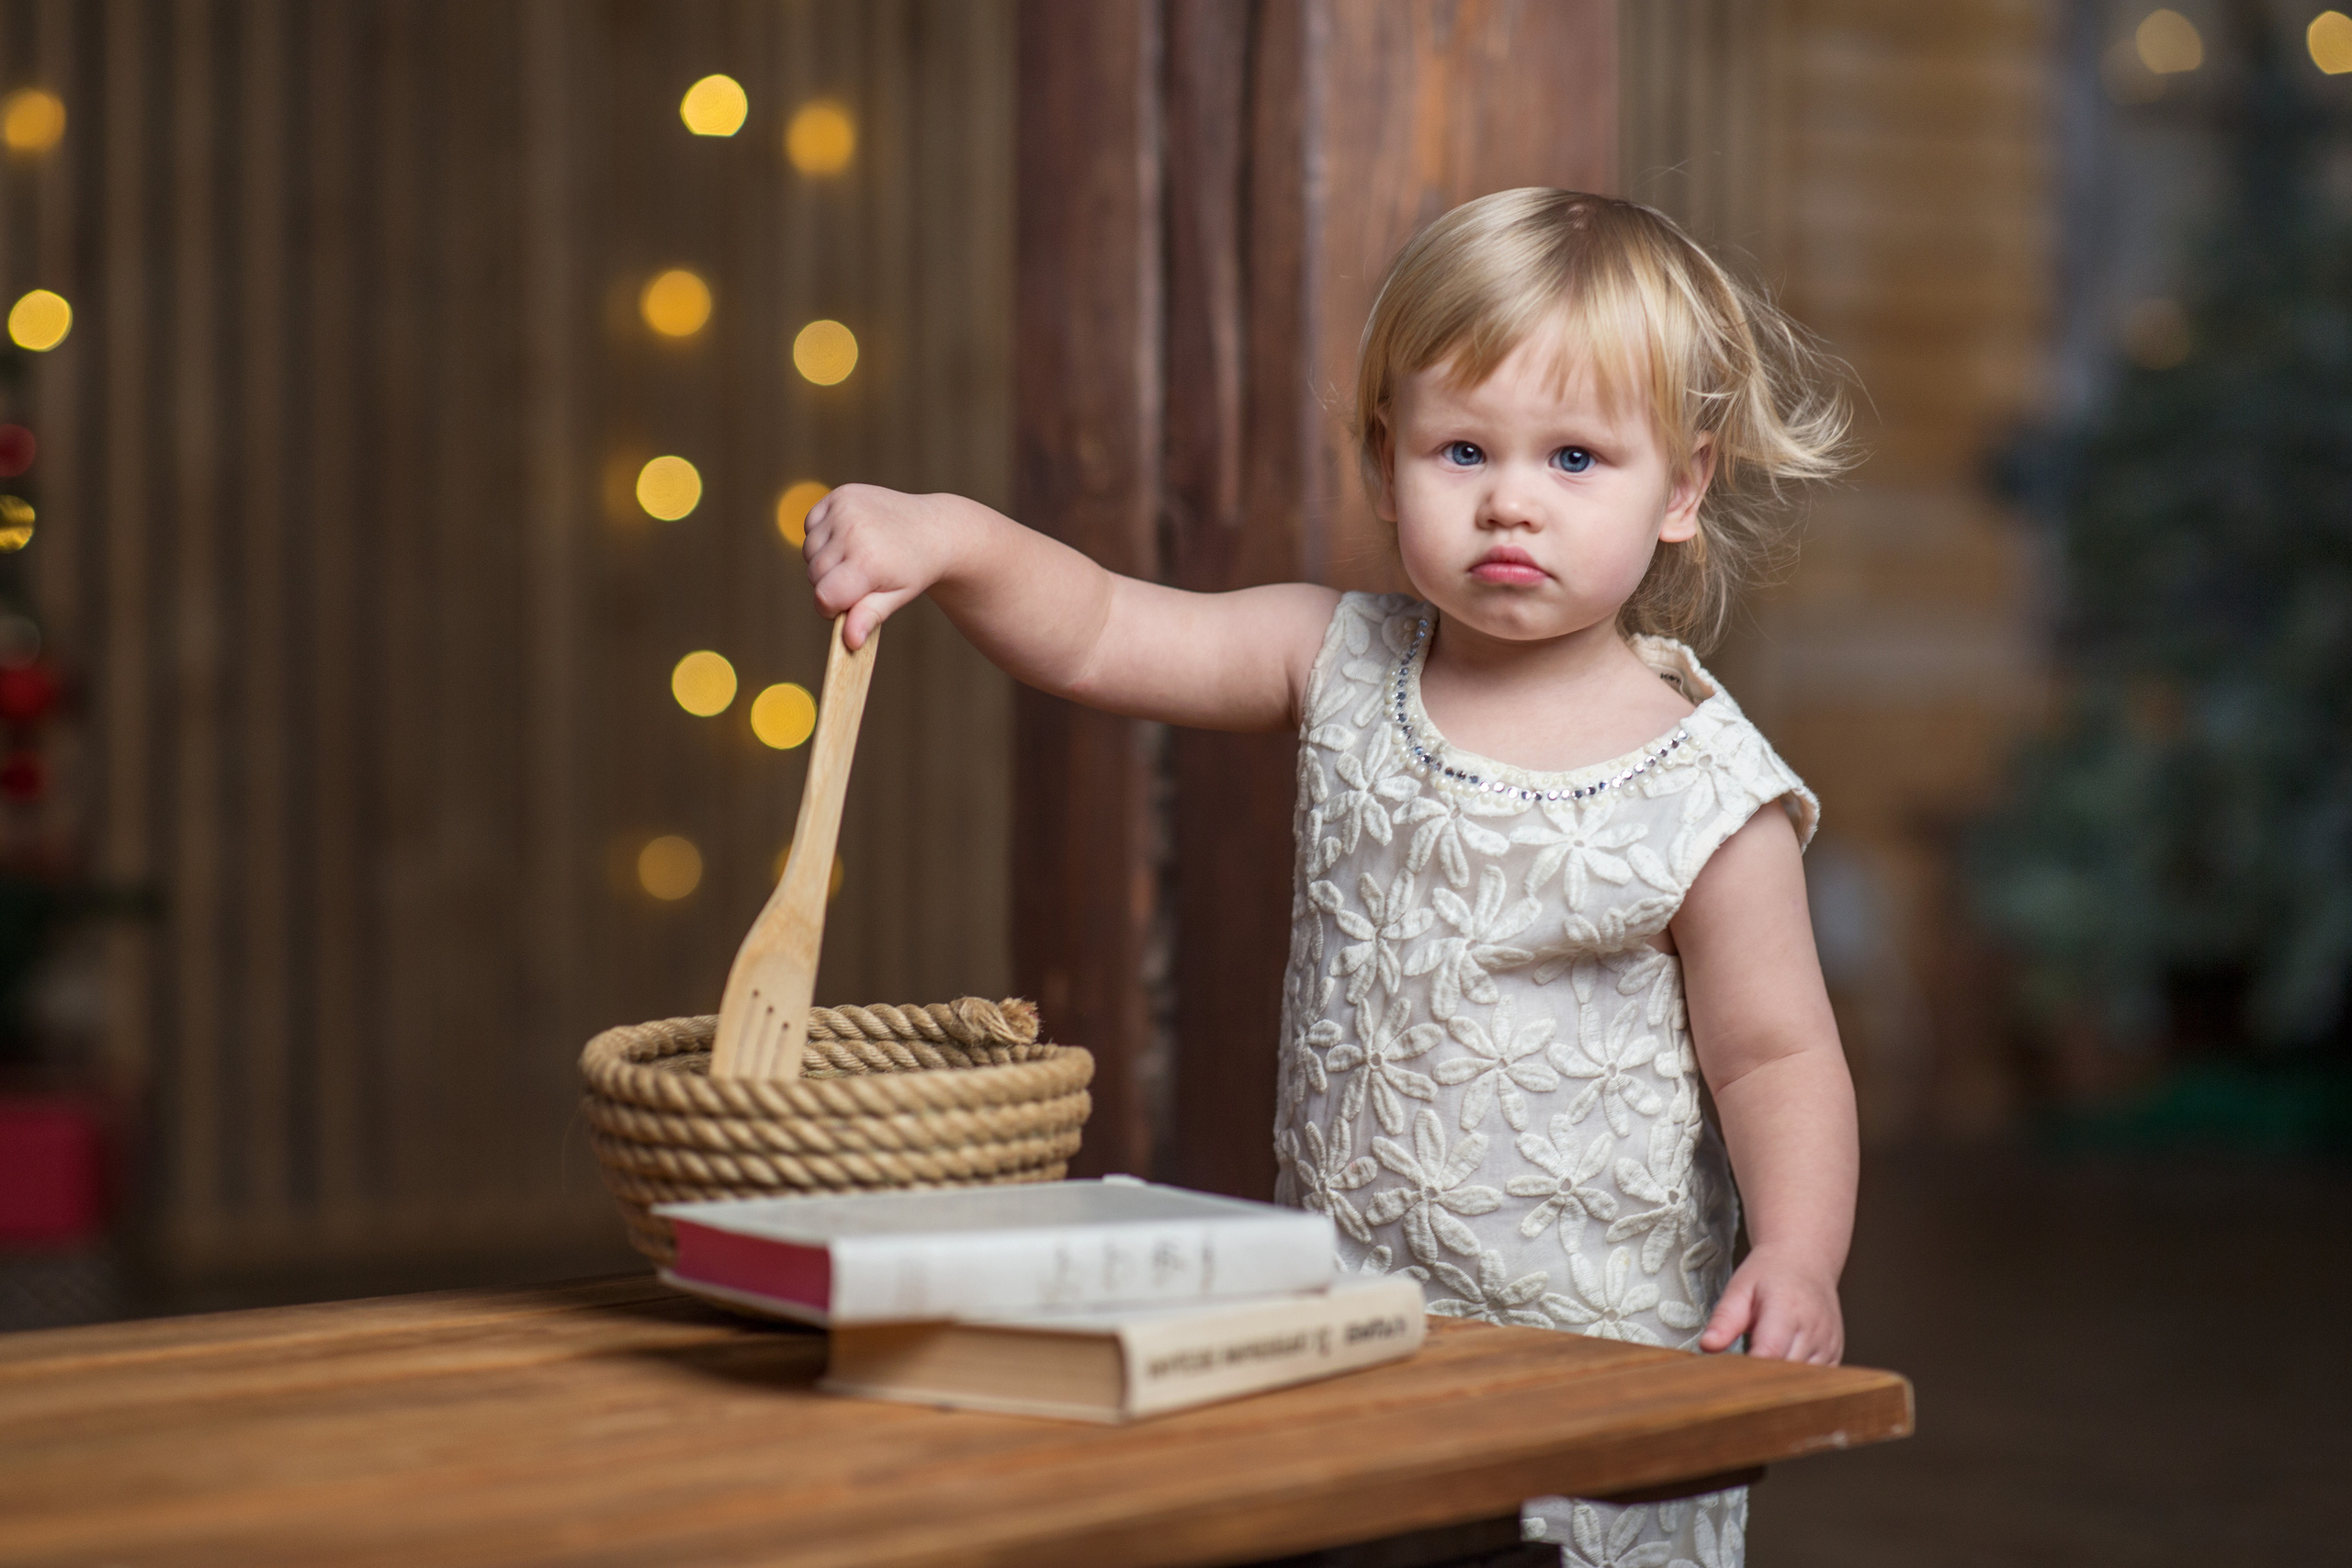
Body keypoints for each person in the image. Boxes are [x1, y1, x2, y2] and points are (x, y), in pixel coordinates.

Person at [802, 188, 1859, 1566]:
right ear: (1384, 458)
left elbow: (1777, 1055)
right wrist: (951, 538)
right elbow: (1105, 629)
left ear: (1682, 488)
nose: (1511, 500)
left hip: (1594, 1356)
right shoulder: (1338, 660)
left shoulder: (1701, 791)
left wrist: (1798, 1253)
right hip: (1356, 1325)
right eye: (1462, 448)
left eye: (1576, 457)